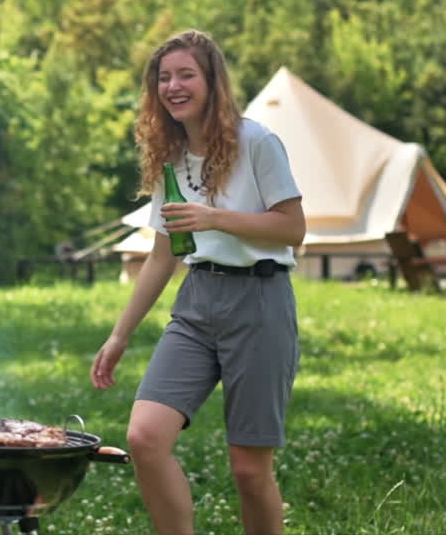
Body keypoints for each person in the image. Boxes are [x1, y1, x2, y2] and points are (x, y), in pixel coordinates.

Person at [91, 30, 305, 535]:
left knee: (250, 471)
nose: (173, 86)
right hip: (196, 303)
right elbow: (163, 252)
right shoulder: (172, 155)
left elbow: (292, 228)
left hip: (259, 299)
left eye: (186, 74)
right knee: (144, 438)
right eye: (164, 77)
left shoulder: (257, 142)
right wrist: (119, 335)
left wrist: (216, 218)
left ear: (212, 81)